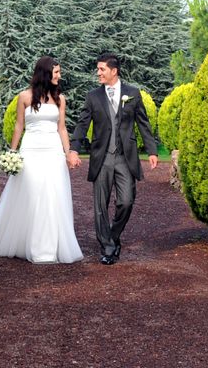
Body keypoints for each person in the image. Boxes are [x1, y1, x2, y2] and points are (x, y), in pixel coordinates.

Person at [0, 56, 83, 264]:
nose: (60, 76)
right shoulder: (24, 96)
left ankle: (49, 247)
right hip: (31, 150)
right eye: (56, 72)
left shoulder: (60, 98)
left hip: (52, 151)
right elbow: (18, 126)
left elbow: (61, 128)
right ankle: (25, 241)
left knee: (54, 195)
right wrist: (12, 153)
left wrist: (68, 152)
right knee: (31, 193)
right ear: (45, 73)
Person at [67, 53, 157, 265]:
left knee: (126, 201)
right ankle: (108, 247)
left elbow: (143, 123)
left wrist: (152, 150)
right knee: (100, 206)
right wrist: (73, 149)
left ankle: (113, 237)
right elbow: (82, 124)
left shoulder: (132, 93)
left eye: (102, 69)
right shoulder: (93, 96)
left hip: (125, 158)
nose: (98, 73)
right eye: (98, 69)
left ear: (113, 71)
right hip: (102, 157)